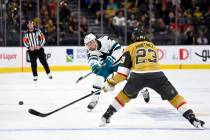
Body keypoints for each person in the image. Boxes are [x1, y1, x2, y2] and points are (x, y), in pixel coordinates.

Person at [100, 28, 205, 129]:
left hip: (138, 77)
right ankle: (192, 118)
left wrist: (110, 83)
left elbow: (122, 75)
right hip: (157, 76)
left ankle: (106, 116)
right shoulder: (153, 46)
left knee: (124, 95)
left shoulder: (130, 48)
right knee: (175, 98)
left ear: (133, 38)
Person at [84, 33, 150, 111]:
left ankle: (144, 90)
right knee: (98, 79)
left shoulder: (105, 40)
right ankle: (94, 100)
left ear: (95, 41)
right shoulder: (90, 51)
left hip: (120, 62)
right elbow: (92, 60)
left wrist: (112, 58)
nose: (90, 47)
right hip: (106, 66)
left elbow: (119, 49)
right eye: (87, 45)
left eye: (90, 43)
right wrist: (94, 66)